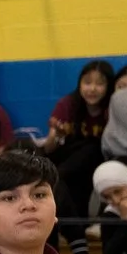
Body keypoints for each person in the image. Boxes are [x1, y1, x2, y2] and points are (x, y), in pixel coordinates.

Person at [37, 60, 115, 220]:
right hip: (68, 157)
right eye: (87, 82)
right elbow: (49, 148)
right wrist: (57, 135)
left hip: (97, 161)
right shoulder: (68, 104)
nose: (92, 89)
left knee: (91, 148)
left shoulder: (113, 108)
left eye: (99, 84)